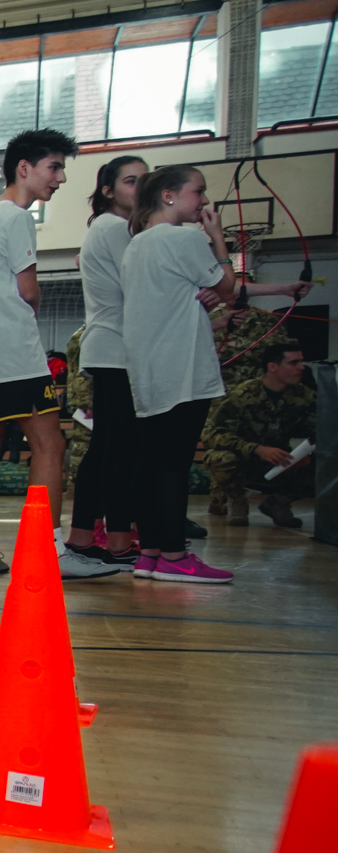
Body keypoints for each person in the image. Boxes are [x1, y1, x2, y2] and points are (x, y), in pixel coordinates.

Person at [0, 129, 118, 581]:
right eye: (54, 167)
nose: (61, 178)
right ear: (24, 168)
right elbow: (28, 291)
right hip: (15, 354)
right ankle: (49, 550)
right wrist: (29, 306)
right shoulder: (15, 217)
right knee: (51, 445)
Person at [122, 165, 236, 582]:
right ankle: (174, 555)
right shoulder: (184, 238)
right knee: (174, 463)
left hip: (150, 369)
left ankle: (150, 552)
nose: (204, 201)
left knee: (151, 460)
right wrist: (217, 238)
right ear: (169, 195)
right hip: (182, 369)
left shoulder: (137, 244)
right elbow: (228, 286)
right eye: (198, 191)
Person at [62, 155, 147, 568]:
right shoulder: (114, 227)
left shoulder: (114, 228)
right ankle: (116, 541)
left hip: (114, 349)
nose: (140, 188)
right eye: (131, 181)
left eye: (145, 181)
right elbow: (143, 288)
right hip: (115, 349)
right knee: (118, 449)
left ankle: (86, 537)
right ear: (108, 190)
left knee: (107, 447)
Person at [205, 341, 314, 527]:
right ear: (272, 367)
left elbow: (319, 431)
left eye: (301, 362)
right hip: (243, 461)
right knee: (222, 458)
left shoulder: (305, 396)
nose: (301, 367)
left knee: (325, 464)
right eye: (293, 363)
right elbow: (211, 433)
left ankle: (278, 503)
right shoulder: (242, 395)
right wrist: (256, 449)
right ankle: (235, 499)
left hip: (280, 462)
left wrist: (304, 454)